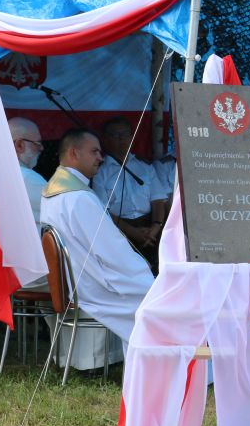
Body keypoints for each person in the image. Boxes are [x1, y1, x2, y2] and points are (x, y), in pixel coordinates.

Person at [40, 129, 154, 369]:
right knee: (161, 302)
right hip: (93, 286)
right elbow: (112, 252)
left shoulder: (52, 192)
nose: (101, 158)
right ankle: (176, 368)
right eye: (94, 152)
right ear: (73, 153)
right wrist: (147, 275)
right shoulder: (79, 197)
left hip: (76, 281)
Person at [91, 116, 170, 266]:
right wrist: (131, 232)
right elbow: (103, 211)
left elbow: (158, 199)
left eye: (125, 135)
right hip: (118, 230)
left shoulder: (144, 166)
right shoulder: (99, 171)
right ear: (105, 139)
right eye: (115, 135)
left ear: (132, 137)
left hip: (150, 227)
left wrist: (156, 226)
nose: (121, 140)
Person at [9, 117, 49, 291]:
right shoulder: (27, 178)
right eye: (37, 143)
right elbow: (66, 218)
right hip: (26, 273)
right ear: (19, 145)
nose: (42, 149)